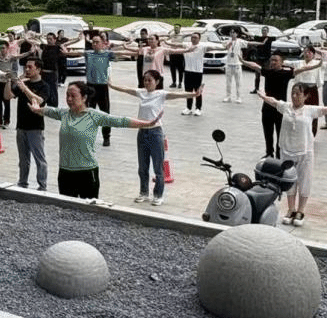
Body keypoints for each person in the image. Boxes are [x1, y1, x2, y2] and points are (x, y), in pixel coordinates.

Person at [29, 81, 162, 200]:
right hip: (65, 172)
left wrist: (147, 123)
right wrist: (37, 109)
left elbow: (120, 121)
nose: (69, 99)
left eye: (73, 96)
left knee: (89, 212)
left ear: (84, 98)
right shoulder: (64, 114)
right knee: (67, 212)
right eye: (67, 95)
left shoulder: (93, 116)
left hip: (87, 172)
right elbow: (47, 110)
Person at [258, 82, 327, 226]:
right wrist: (263, 96)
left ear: (306, 96)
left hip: (305, 152)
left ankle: (300, 211)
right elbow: (273, 101)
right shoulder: (285, 107)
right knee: (289, 181)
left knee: (304, 181)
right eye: (293, 93)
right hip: (286, 151)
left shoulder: (310, 110)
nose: (295, 96)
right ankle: (291, 209)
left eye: (298, 94)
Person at [109, 71, 200, 205]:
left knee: (158, 167)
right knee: (142, 167)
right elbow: (126, 89)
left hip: (155, 133)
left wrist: (193, 94)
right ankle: (144, 193)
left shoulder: (161, 94)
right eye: (145, 80)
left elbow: (178, 95)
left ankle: (158, 195)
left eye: (149, 80)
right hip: (142, 132)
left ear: (157, 82)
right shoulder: (141, 93)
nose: (147, 83)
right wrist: (111, 85)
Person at [243, 53, 322, 158]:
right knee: (267, 132)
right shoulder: (267, 72)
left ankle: (279, 154)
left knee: (280, 133)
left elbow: (303, 69)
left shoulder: (286, 73)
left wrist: (317, 65)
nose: (273, 62)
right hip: (267, 107)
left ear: (281, 62)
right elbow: (254, 66)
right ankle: (269, 153)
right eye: (271, 60)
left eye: (275, 60)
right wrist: (242, 61)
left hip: (281, 108)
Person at [65, 32, 135, 145]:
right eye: (93, 42)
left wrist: (131, 46)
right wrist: (65, 49)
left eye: (97, 42)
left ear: (103, 44)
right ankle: (87, 135)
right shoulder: (88, 53)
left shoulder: (107, 54)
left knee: (105, 113)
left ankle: (106, 137)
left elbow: (122, 52)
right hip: (90, 86)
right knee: (87, 112)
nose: (94, 44)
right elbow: (73, 53)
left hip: (102, 87)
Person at [7, 58, 51, 191]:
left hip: (35, 128)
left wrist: (24, 88)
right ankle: (22, 183)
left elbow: (39, 101)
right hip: (21, 126)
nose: (26, 69)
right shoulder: (23, 84)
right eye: (25, 67)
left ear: (38, 69)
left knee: (39, 159)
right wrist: (8, 81)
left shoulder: (44, 86)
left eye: (30, 67)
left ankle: (42, 186)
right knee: (23, 159)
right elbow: (7, 96)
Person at [180, 32, 207, 115]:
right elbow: (176, 44)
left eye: (195, 37)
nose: (193, 39)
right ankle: (188, 108)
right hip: (188, 71)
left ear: (199, 39)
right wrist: (166, 42)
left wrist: (225, 47)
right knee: (188, 91)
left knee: (197, 91)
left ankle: (198, 108)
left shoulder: (202, 46)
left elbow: (216, 47)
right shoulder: (187, 45)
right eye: (192, 37)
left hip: (197, 72)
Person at [167, 24, 186, 88]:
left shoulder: (182, 35)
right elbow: (167, 38)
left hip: (179, 53)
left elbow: (190, 34)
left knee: (180, 69)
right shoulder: (172, 34)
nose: (176, 29)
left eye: (177, 28)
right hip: (172, 53)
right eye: (175, 28)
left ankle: (180, 83)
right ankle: (174, 82)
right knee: (172, 69)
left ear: (180, 28)